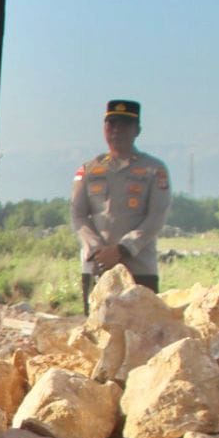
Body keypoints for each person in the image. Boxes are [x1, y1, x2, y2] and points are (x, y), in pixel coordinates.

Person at [71, 99, 171, 314]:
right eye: (111, 124)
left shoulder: (154, 169)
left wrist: (122, 249)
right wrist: (98, 248)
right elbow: (78, 215)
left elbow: (156, 217)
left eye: (124, 125)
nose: (117, 131)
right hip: (97, 266)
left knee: (143, 336)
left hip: (139, 267)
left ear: (137, 130)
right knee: (97, 335)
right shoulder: (88, 169)